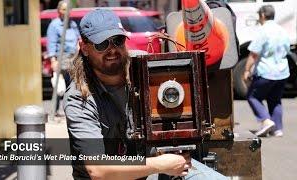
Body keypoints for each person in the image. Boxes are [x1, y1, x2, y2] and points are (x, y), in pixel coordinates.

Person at [63, 9, 228, 180]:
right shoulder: (79, 97)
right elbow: (98, 171)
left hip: (154, 171)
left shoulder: (143, 66)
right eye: (102, 44)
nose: (112, 50)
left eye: (118, 41)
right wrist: (161, 164)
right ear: (84, 48)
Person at [244, 5, 290, 137]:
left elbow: (254, 54)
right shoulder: (282, 30)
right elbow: (287, 50)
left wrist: (247, 70)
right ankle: (278, 129)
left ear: (263, 15)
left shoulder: (263, 31)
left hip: (266, 71)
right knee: (275, 99)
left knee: (252, 96)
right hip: (282, 72)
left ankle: (266, 121)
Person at [46, 0, 80, 116]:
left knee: (73, 85)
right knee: (59, 86)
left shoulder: (73, 24)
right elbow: (51, 43)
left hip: (73, 58)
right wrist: (53, 60)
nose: (66, 12)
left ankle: (71, 110)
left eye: (68, 9)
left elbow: (77, 39)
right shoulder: (54, 25)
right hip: (62, 58)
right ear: (58, 11)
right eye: (63, 9)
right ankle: (54, 111)